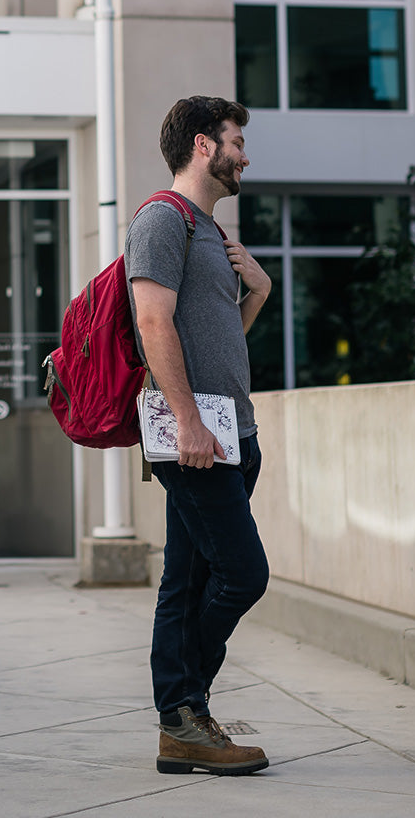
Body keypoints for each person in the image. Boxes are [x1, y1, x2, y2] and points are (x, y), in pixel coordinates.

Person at [125, 96, 274, 775]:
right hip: (196, 437)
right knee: (243, 574)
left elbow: (214, 340)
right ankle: (182, 708)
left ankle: (184, 723)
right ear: (203, 146)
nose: (244, 155)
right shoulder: (163, 219)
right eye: (235, 142)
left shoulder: (209, 230)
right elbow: (153, 324)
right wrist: (187, 419)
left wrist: (258, 294)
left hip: (228, 433)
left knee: (187, 582)